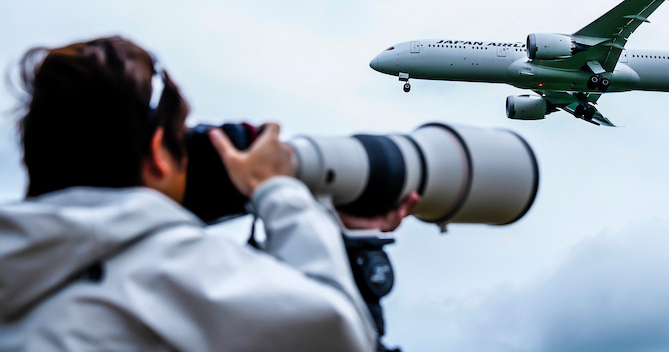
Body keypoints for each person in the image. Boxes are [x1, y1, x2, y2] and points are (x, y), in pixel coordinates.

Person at [0, 36, 417, 351]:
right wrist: (277, 191)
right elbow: (338, 334)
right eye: (182, 142)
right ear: (159, 155)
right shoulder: (170, 270)